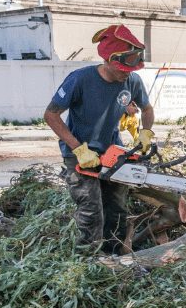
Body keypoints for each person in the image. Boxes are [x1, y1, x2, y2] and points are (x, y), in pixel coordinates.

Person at [43, 24, 155, 254]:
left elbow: (147, 109)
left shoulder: (131, 81)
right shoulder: (80, 79)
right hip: (79, 151)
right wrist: (78, 149)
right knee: (91, 209)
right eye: (122, 68)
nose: (127, 72)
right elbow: (51, 115)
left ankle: (114, 254)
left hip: (112, 149)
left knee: (117, 207)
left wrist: (146, 133)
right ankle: (89, 259)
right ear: (109, 61)